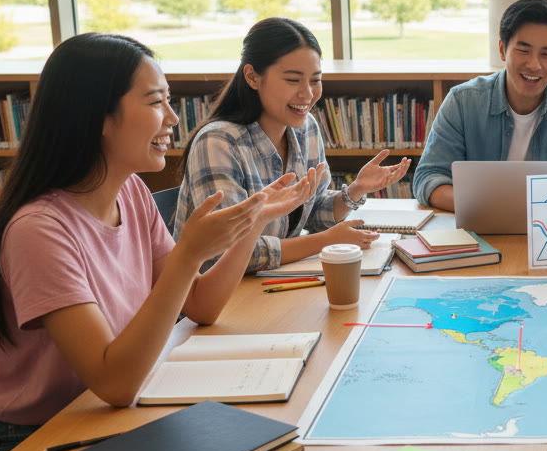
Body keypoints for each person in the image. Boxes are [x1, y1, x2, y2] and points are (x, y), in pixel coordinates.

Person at [0, 33, 318, 451]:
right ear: (98, 116)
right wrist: (188, 254)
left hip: (94, 418)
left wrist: (251, 223)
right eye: (155, 102)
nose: (171, 118)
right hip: (15, 444)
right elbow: (115, 382)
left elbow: (201, 306)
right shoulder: (37, 229)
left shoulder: (130, 193)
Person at [174, 18, 410, 272]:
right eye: (293, 80)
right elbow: (228, 251)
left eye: (315, 80)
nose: (307, 94)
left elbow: (314, 211)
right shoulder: (218, 142)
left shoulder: (306, 127)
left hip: (266, 285)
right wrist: (324, 242)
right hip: (216, 299)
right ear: (253, 77)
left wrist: (356, 190)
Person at [412, 0, 547, 211]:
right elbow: (428, 177)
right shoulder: (463, 101)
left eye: (546, 54)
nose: (534, 65)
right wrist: (493, 208)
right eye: (523, 51)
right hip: (480, 226)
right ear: (502, 49)